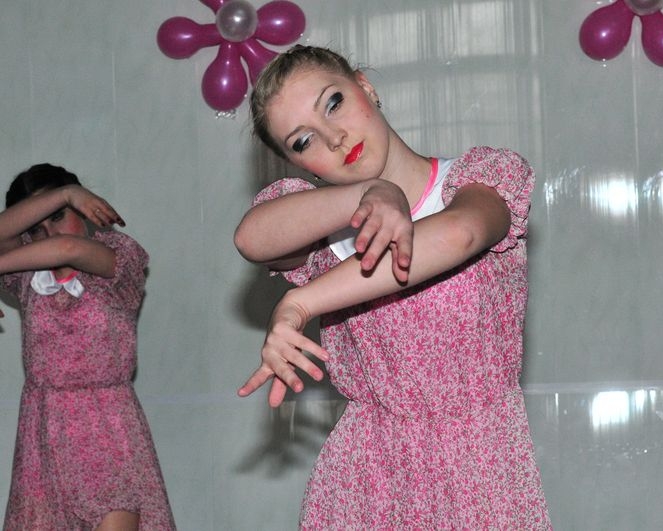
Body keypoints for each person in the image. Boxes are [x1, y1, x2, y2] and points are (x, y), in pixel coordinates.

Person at [235, 45, 551, 529]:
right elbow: (251, 238)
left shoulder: (478, 181)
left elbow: (460, 234)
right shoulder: (321, 233)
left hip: (480, 468)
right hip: (366, 479)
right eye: (303, 141)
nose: (335, 138)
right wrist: (367, 194)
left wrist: (300, 302)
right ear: (298, 164)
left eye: (333, 103)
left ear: (365, 87)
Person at [0, 164, 175, 530]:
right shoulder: (26, 276)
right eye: (37, 228)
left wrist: (68, 193)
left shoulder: (118, 259)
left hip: (109, 431)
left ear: (84, 209)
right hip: (43, 435)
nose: (49, 233)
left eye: (58, 216)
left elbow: (69, 248)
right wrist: (64, 196)